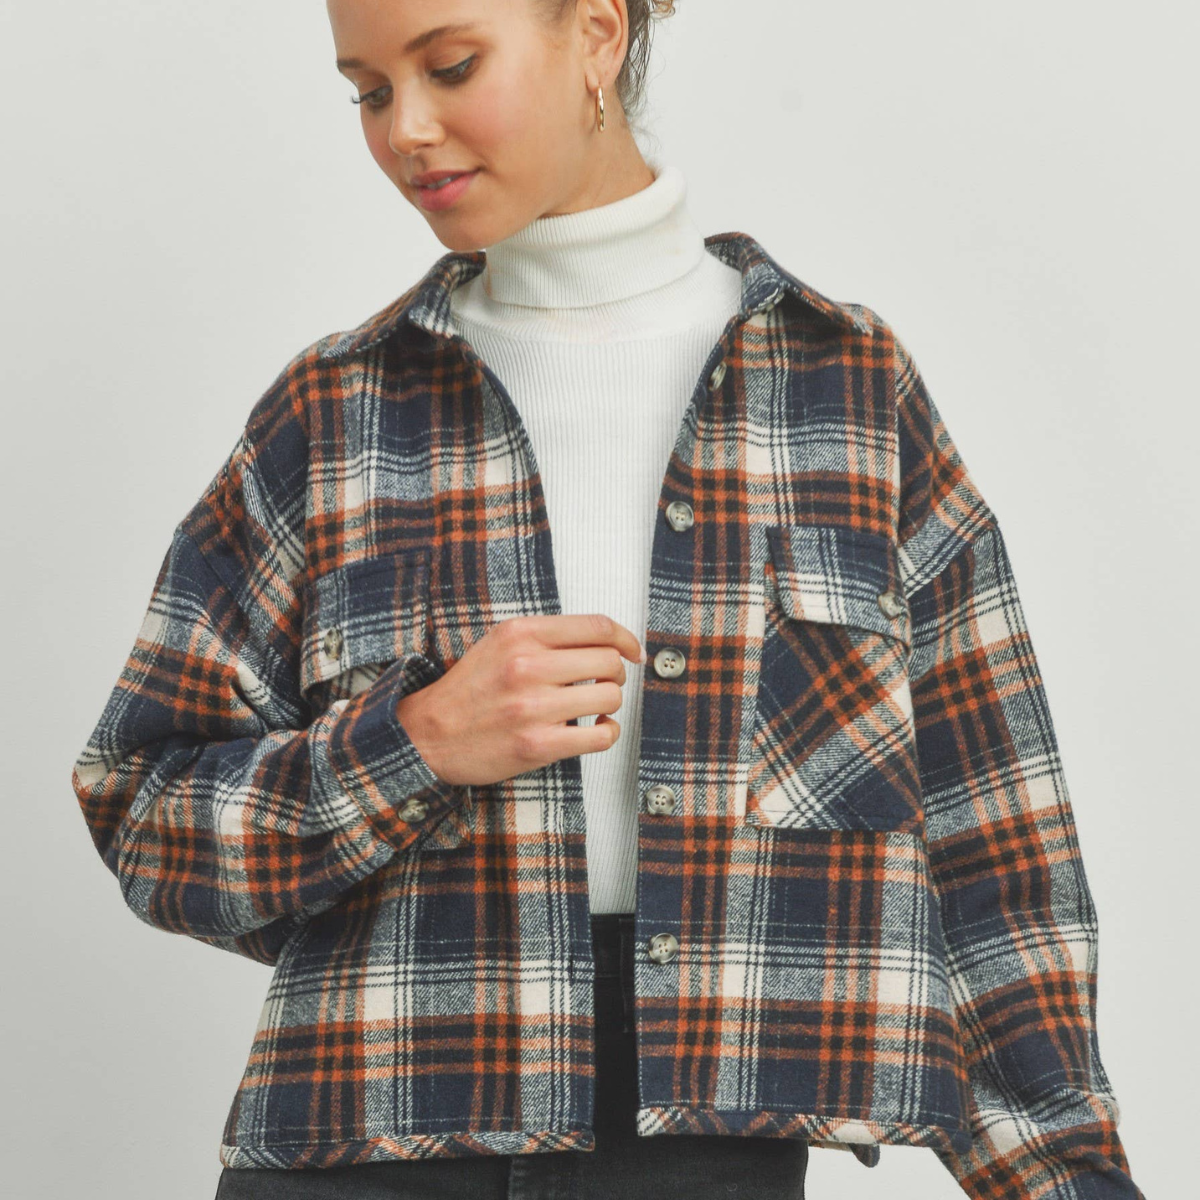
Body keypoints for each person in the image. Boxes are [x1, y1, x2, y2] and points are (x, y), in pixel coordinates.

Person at [70, 3, 1142, 1198]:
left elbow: (994, 851)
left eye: (450, 66)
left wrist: (1068, 1179)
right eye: (367, 91)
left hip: (702, 1155)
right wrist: (413, 744)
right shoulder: (333, 416)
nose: (405, 129)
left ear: (596, 32)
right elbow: (144, 814)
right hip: (363, 1134)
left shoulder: (847, 391)